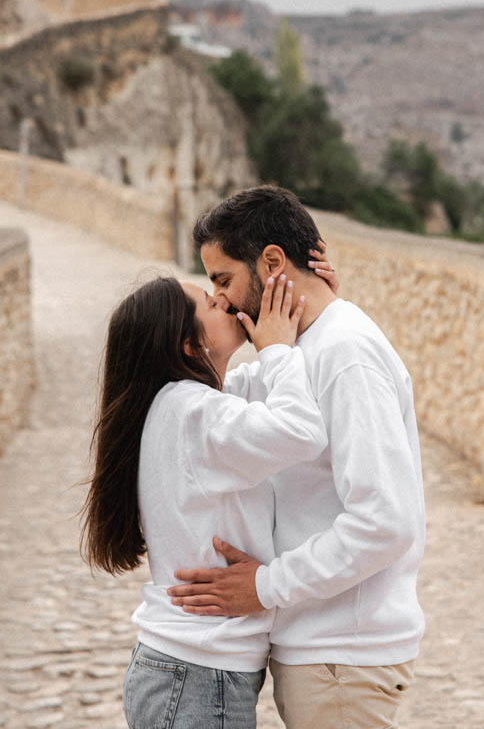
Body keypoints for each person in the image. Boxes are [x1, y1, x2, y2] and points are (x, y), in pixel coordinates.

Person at [168, 184, 426, 728]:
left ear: (272, 263)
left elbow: (386, 520)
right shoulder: (295, 346)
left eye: (223, 280)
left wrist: (265, 586)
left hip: (341, 655)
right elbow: (229, 411)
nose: (218, 300)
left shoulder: (346, 353)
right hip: (320, 649)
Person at [80, 273, 327, 728]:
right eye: (210, 304)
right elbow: (300, 431)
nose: (224, 301)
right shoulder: (196, 412)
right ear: (189, 346)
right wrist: (276, 350)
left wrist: (315, 309)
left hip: (186, 673)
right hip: (196, 676)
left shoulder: (178, 406)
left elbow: (260, 390)